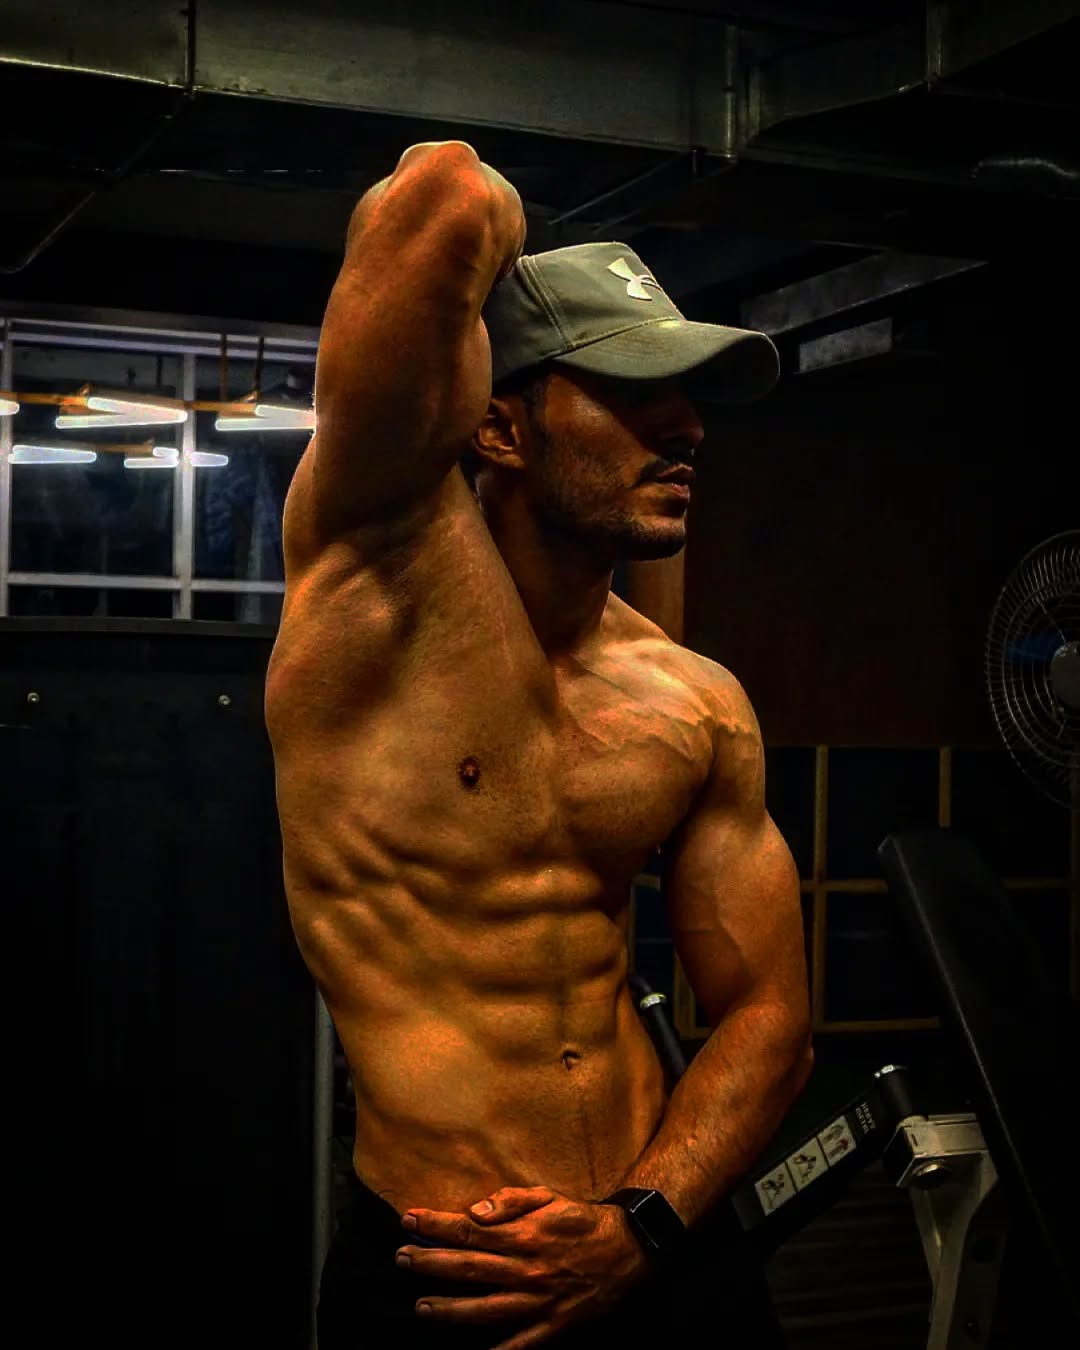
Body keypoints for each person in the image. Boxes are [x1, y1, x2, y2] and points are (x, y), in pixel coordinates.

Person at [265, 140, 813, 1350]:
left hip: (661, 1241)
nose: (686, 428)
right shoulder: (369, 603)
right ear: (499, 429)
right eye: (631, 389)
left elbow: (770, 1011)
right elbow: (445, 192)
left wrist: (642, 1224)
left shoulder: (694, 700)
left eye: (689, 396)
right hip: (456, 1271)